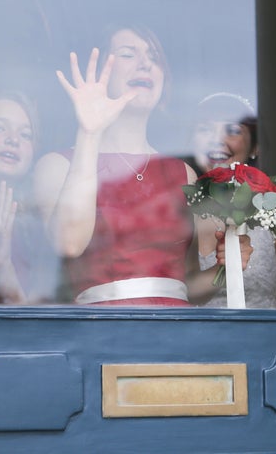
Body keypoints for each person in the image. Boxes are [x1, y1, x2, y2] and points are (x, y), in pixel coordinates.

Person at [33, 26, 248, 306]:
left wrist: (227, 268)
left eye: (154, 57)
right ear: (101, 74)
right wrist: (89, 132)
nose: (145, 63)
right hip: (101, 330)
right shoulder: (57, 165)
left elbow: (189, 285)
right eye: (127, 54)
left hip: (175, 331)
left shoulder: (184, 174)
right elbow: (69, 243)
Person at [191, 92, 276, 309]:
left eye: (232, 130)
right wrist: (222, 271)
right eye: (205, 129)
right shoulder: (176, 210)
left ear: (255, 147)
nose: (217, 139)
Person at [0, 92, 60, 304]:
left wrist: (1, 264)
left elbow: (32, 317)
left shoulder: (38, 226)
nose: (12, 140)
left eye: (25, 134)